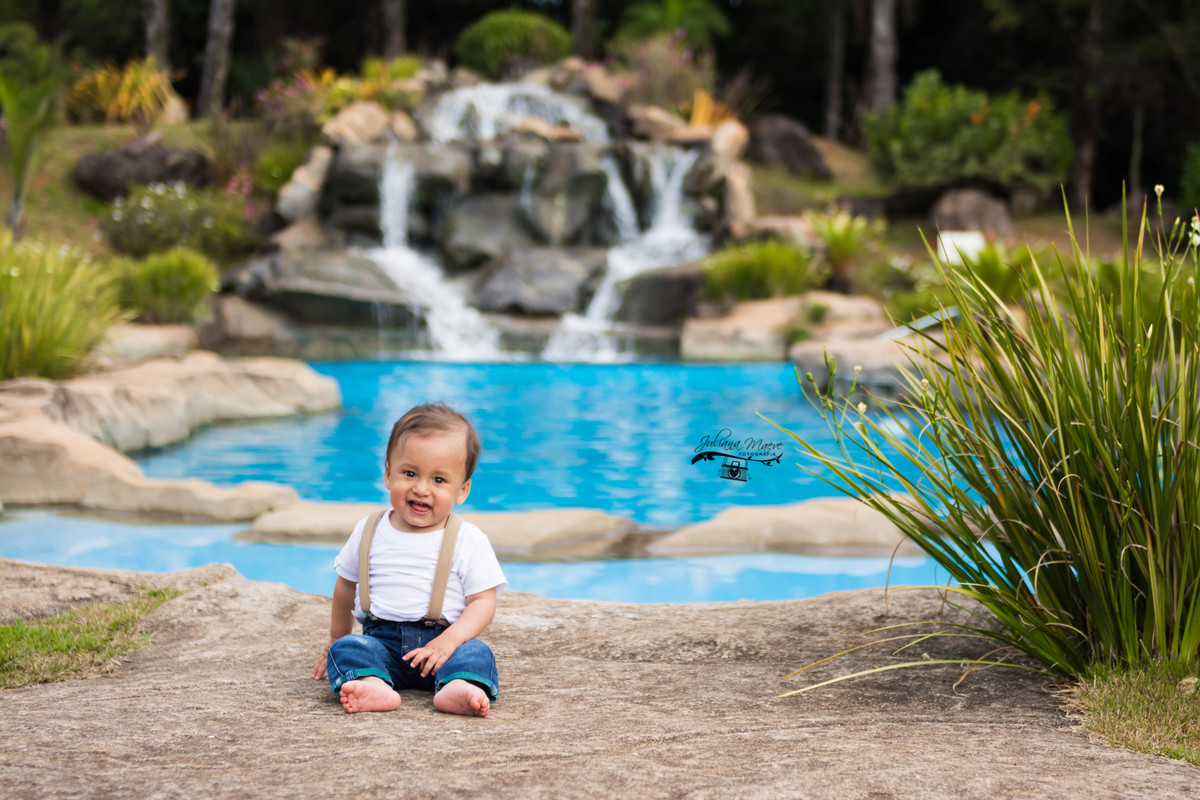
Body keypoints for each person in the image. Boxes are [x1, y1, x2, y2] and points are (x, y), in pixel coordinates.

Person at [311, 402, 506, 717]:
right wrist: (336, 637)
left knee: (476, 653)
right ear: (388, 474)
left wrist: (449, 641)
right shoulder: (369, 529)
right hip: (380, 644)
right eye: (410, 473)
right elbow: (345, 585)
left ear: (463, 490)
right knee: (347, 649)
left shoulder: (467, 539)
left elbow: (483, 601)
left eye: (439, 481)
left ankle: (457, 686)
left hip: (442, 645)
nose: (421, 489)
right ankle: (373, 683)